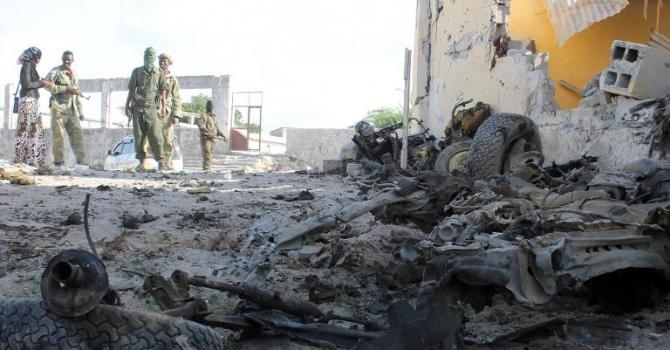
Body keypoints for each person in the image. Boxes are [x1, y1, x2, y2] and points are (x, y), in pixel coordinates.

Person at [125, 47, 168, 171]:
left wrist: (163, 107)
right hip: (138, 108)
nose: (149, 57)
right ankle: (142, 162)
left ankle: (161, 162)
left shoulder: (159, 72)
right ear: (144, 56)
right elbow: (132, 90)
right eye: (147, 54)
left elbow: (163, 91)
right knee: (138, 137)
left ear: (154, 57)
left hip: (152, 109)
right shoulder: (137, 71)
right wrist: (127, 105)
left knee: (156, 136)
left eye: (152, 55)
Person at [46, 50, 87, 170]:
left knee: (77, 136)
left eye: (69, 59)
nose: (67, 61)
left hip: (71, 109)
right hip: (58, 108)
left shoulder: (75, 74)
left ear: (73, 60)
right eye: (65, 59)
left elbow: (76, 93)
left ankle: (81, 162)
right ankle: (59, 162)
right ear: (62, 59)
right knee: (59, 136)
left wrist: (81, 112)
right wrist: (64, 88)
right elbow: (46, 85)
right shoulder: (56, 72)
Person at [14, 47, 53, 167]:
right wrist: (42, 83)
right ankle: (22, 159)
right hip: (28, 101)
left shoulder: (29, 66)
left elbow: (30, 82)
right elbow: (26, 84)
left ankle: (31, 159)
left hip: (32, 101)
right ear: (34, 57)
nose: (38, 60)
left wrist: (41, 82)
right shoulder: (26, 65)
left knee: (33, 130)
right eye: (38, 58)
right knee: (26, 130)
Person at [157, 53, 182, 169]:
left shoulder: (173, 80)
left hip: (166, 111)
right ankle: (155, 161)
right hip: (152, 110)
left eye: (164, 61)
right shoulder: (153, 75)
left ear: (169, 63)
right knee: (152, 137)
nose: (162, 62)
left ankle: (167, 161)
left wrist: (176, 115)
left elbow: (176, 97)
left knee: (167, 137)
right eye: (160, 60)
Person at [197, 100, 227, 171]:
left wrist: (223, 136)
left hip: (212, 140)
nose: (210, 106)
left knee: (210, 156)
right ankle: (206, 170)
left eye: (211, 105)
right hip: (206, 139)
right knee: (207, 156)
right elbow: (201, 126)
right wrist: (208, 132)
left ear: (213, 107)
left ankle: (208, 169)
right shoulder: (203, 115)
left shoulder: (214, 117)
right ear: (206, 106)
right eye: (209, 105)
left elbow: (217, 130)